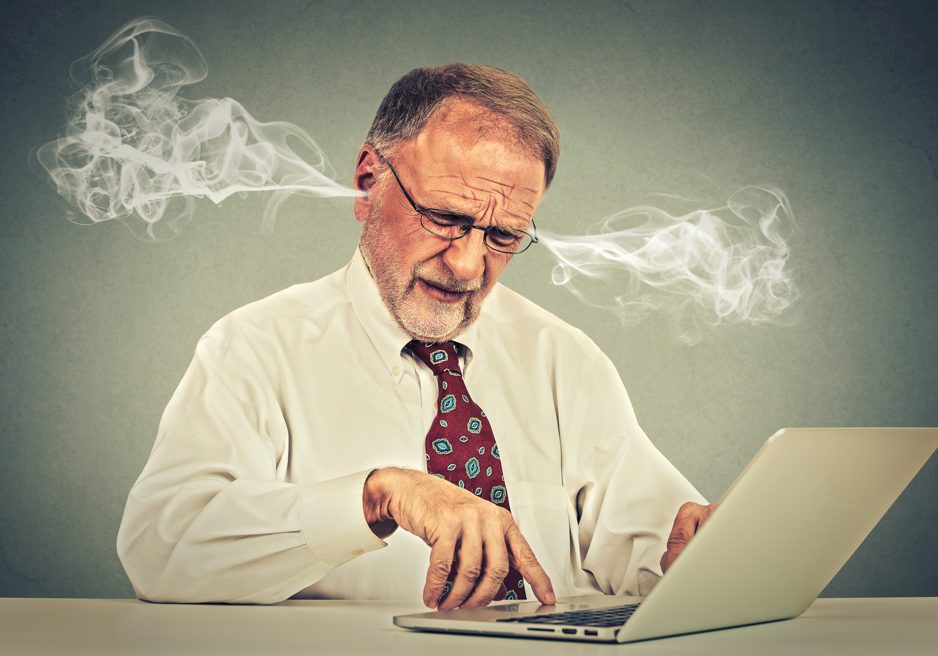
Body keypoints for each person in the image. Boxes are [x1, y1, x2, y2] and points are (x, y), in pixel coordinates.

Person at [117, 64, 715, 608]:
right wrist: (375, 497)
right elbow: (162, 551)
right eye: (447, 218)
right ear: (367, 179)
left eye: (504, 236)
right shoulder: (255, 348)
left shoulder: (562, 358)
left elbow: (651, 545)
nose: (468, 265)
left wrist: (695, 549)